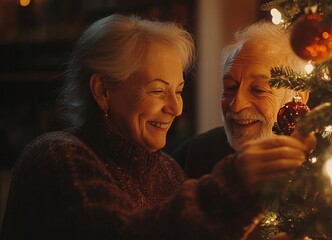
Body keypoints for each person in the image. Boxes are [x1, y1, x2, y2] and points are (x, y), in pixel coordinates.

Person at [0, 14, 311, 240]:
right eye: (158, 90)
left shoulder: (166, 170)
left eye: (177, 91)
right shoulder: (58, 156)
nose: (176, 108)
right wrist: (232, 183)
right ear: (103, 91)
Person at [172, 21, 313, 179]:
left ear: (298, 97)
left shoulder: (328, 167)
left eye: (258, 90)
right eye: (230, 87)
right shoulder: (193, 155)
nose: (237, 105)